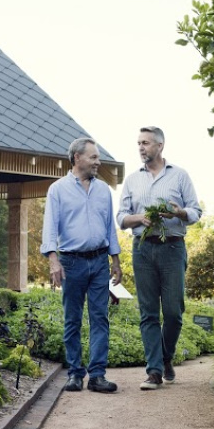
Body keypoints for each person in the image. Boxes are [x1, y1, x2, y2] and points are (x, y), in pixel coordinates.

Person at [117, 126, 202, 390]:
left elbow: (196, 211)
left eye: (146, 143)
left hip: (172, 248)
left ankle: (166, 357)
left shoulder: (179, 176)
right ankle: (154, 371)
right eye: (139, 143)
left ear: (160, 145)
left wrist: (179, 213)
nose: (141, 148)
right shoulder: (132, 180)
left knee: (174, 312)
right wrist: (139, 218)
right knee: (149, 313)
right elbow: (121, 218)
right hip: (142, 249)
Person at [41, 137, 123, 393]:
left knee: (100, 318)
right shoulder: (57, 190)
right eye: (93, 157)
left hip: (99, 261)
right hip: (71, 262)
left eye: (98, 157)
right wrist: (53, 260)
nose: (98, 162)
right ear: (77, 158)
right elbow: (50, 227)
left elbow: (110, 227)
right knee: (72, 319)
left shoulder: (103, 190)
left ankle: (97, 376)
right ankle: (75, 373)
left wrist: (115, 260)